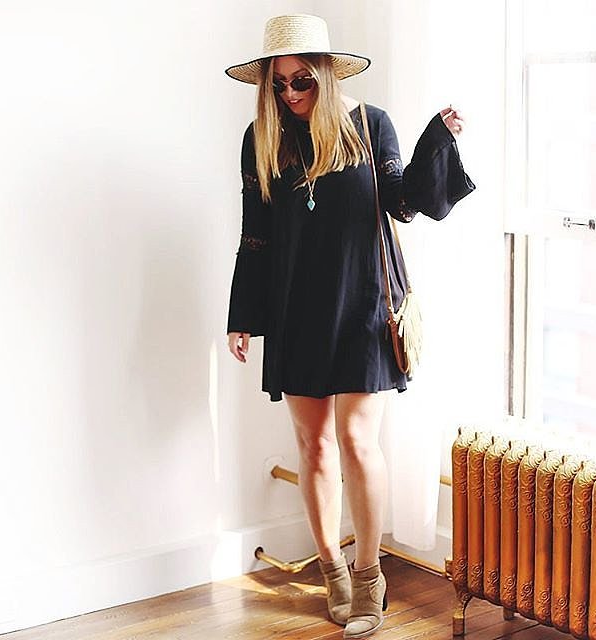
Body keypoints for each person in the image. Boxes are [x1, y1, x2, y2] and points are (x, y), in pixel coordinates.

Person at [225, 14, 474, 639]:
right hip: (294, 308)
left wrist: (436, 143)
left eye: (301, 81)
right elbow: (256, 235)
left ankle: (368, 573)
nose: (290, 94)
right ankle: (331, 568)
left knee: (358, 442)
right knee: (312, 445)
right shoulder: (262, 138)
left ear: (326, 74)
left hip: (363, 304)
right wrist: (243, 316)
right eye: (278, 84)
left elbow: (403, 203)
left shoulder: (369, 125)